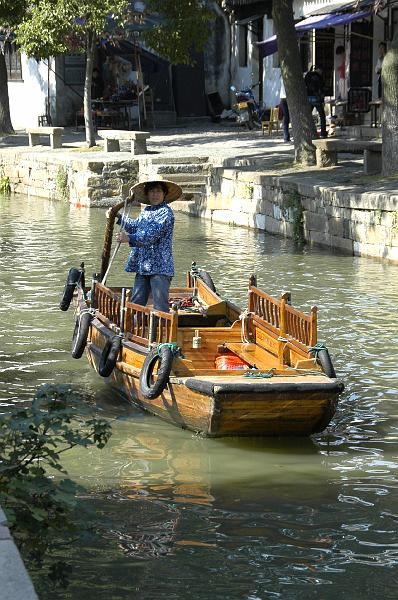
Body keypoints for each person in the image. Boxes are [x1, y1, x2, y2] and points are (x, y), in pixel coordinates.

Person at [106, 180, 182, 313]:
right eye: (152, 191)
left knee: (160, 306)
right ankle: (133, 328)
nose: (155, 195)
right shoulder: (147, 211)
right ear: (147, 194)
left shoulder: (165, 213)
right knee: (137, 302)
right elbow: (135, 226)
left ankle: (162, 332)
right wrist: (116, 215)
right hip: (144, 265)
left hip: (160, 267)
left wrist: (128, 238)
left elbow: (151, 235)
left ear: (164, 194)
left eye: (158, 191)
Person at [304, 66, 327, 138]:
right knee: (322, 116)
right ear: (318, 69)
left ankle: (307, 134)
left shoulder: (308, 75)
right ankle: (323, 134)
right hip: (317, 98)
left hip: (308, 98)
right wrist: (322, 100)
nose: (321, 72)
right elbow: (321, 89)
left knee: (307, 116)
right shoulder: (319, 77)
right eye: (321, 71)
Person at [279, 74, 290, 143]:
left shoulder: (281, 77)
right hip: (288, 97)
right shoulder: (290, 77)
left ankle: (286, 136)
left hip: (282, 97)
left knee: (286, 118)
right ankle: (286, 136)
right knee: (287, 118)